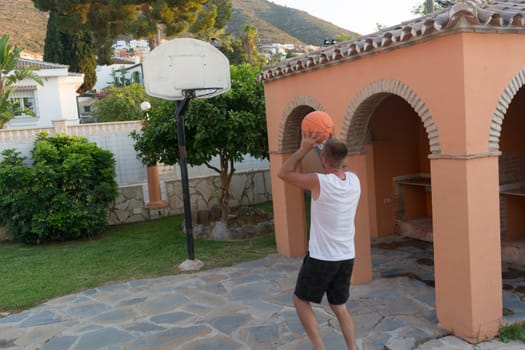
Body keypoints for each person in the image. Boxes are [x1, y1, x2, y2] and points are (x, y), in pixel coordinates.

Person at [278, 132, 360, 350]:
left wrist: (304, 148)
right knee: (339, 305)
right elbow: (341, 161)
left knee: (301, 300)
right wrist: (329, 143)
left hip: (322, 258)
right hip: (346, 257)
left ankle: (319, 348)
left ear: (323, 159)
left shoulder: (319, 182)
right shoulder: (354, 180)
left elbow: (284, 173)